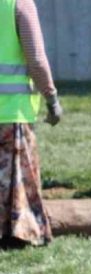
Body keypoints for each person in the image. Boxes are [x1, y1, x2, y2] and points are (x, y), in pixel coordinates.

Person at [0, 0, 60, 250]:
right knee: (17, 177)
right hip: (12, 110)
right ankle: (18, 233)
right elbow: (36, 59)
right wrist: (52, 98)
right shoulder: (18, 4)